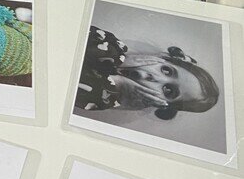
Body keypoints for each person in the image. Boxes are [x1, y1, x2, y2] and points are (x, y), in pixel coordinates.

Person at [75, 26, 219, 119]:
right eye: (166, 70)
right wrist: (121, 59)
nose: (154, 78)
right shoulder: (110, 43)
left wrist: (119, 83)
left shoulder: (103, 98)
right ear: (162, 58)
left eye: (168, 90)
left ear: (160, 103)